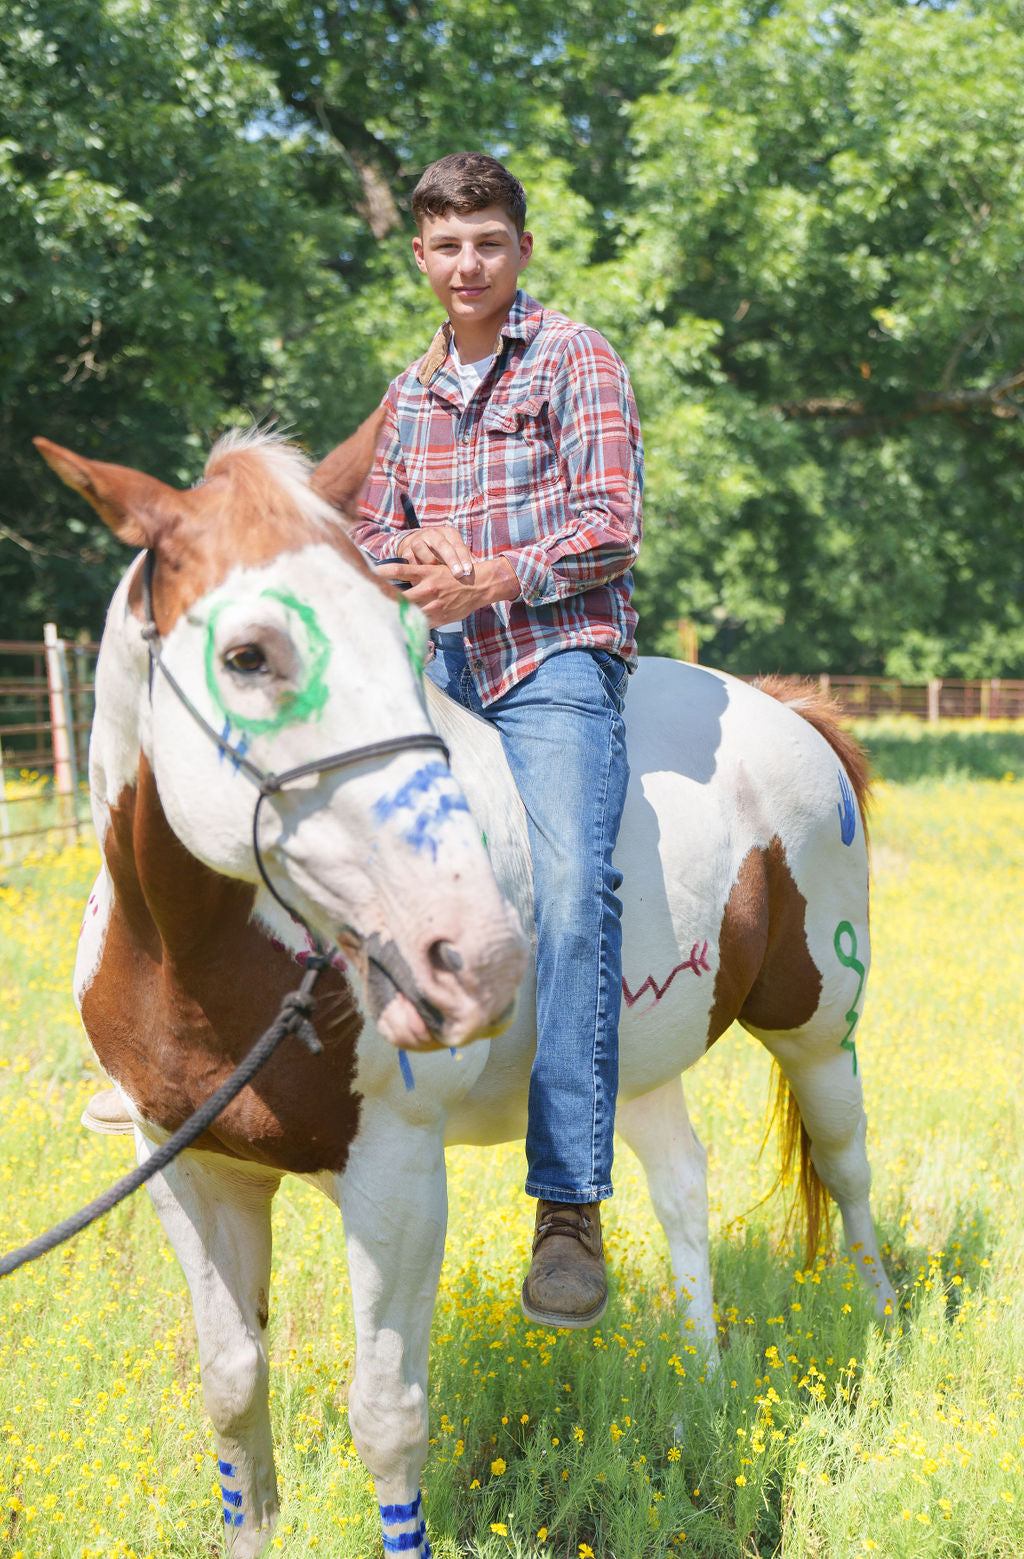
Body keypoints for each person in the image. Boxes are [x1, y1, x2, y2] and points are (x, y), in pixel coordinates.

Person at [350, 151, 643, 1329]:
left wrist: (493, 577)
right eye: (445, 245)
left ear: (521, 247)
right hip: (441, 674)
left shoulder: (574, 356)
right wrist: (406, 556)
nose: (466, 264)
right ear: (419, 256)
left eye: (486, 242)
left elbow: (611, 523)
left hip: (554, 661)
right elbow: (367, 531)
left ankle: (568, 1204)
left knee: (573, 890)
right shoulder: (410, 391)